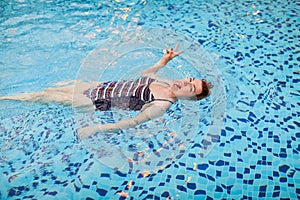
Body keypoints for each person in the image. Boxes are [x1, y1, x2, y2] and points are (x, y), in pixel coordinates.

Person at [0, 44, 212, 139]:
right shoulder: (165, 81)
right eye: (189, 80)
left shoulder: (161, 105)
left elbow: (131, 122)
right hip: (98, 86)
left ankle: (4, 98)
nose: (185, 83)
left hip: (94, 102)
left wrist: (96, 129)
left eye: (190, 88)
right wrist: (163, 61)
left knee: (42, 97)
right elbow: (145, 74)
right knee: (50, 89)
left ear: (189, 98)